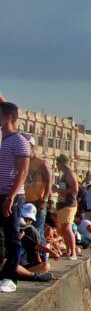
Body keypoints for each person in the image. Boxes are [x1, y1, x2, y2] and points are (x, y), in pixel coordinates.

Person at [0, 97, 31, 293]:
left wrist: (10, 197)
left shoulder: (20, 141)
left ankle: (10, 278)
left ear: (8, 117)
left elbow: (23, 173)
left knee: (12, 236)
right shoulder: (2, 140)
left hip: (12, 196)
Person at [16, 203, 52, 281]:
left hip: (24, 265)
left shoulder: (30, 231)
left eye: (30, 219)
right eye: (26, 218)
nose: (27, 221)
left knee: (46, 266)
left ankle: (23, 274)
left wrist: (52, 252)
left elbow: (35, 247)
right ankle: (32, 276)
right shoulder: (11, 229)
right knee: (9, 263)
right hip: (11, 264)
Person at [54, 154, 79, 260]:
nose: (56, 165)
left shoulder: (69, 173)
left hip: (69, 204)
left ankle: (73, 252)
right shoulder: (64, 174)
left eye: (57, 163)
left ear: (62, 163)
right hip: (63, 204)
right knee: (64, 228)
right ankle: (69, 250)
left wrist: (59, 191)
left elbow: (75, 189)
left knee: (68, 228)